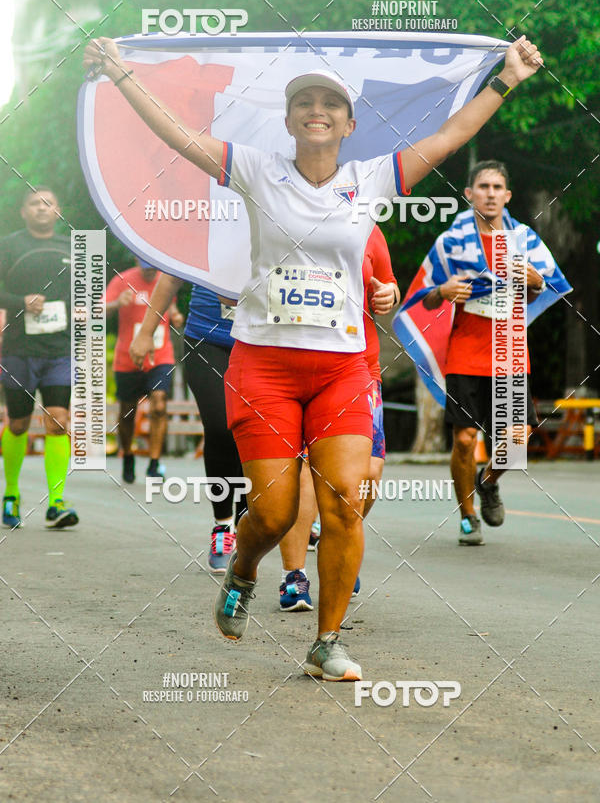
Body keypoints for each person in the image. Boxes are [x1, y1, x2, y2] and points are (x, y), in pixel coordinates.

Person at [84, 33, 543, 680]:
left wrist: (508, 78)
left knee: (344, 502)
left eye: (330, 101)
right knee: (271, 512)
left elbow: (448, 137)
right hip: (264, 366)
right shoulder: (252, 167)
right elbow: (178, 135)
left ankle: (328, 639)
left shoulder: (372, 177)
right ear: (290, 118)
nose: (317, 109)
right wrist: (122, 75)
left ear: (350, 123)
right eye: (305, 101)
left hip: (342, 370)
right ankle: (244, 567)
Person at [416, 160, 571, 544]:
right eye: (482, 186)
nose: (490, 193)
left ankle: (487, 482)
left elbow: (548, 287)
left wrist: (535, 280)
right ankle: (468, 515)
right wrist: (443, 291)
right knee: (465, 439)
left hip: (510, 350)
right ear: (469, 194)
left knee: (517, 442)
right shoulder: (451, 242)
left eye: (497, 187)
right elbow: (425, 297)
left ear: (507, 195)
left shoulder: (526, 241)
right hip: (465, 350)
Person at [278, 225, 400, 611]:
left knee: (370, 473)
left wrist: (388, 294)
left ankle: (336, 537)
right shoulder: (284, 217)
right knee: (304, 474)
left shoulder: (369, 228)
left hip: (359, 366)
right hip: (297, 366)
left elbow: (389, 283)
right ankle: (294, 577)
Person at [130, 277, 248, 573]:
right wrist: (146, 331)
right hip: (208, 340)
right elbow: (170, 277)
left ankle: (248, 525)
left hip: (264, 340)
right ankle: (223, 526)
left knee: (254, 434)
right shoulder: (208, 227)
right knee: (222, 428)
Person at [0, 187, 77, 529]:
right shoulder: (9, 245)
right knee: (18, 422)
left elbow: (86, 290)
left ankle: (56, 502)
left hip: (59, 349)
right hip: (19, 349)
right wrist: (19, 301)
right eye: (34, 203)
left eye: (48, 202)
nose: (42, 208)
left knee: (59, 420)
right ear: (23, 212)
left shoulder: (71, 246)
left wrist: (83, 309)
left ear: (58, 210)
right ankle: (12, 494)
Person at [105, 258, 183, 483]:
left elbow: (170, 304)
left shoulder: (166, 278)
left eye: (154, 268)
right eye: (146, 268)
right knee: (127, 410)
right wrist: (117, 303)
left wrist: (176, 315)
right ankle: (128, 454)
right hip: (128, 357)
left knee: (159, 404)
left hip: (160, 356)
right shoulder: (122, 280)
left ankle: (154, 462)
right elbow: (99, 307)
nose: (150, 273)